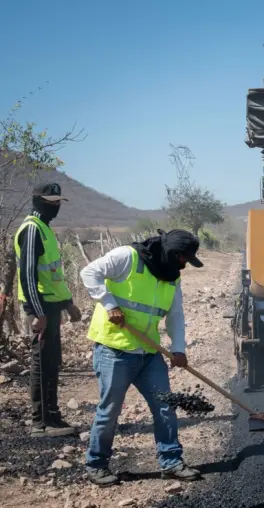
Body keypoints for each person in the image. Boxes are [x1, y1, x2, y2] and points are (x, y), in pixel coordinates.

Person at [79, 229, 204, 486]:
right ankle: (97, 465)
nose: (184, 266)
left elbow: (175, 315)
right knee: (109, 411)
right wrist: (109, 304)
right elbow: (89, 272)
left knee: (165, 407)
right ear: (172, 253)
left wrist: (178, 348)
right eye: (183, 259)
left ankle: (170, 462)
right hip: (115, 350)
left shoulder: (172, 277)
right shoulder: (128, 257)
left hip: (149, 354)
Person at [14, 182, 83, 438]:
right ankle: (40, 424)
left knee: (52, 362)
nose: (55, 206)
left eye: (58, 202)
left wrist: (68, 303)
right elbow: (28, 276)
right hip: (40, 308)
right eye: (50, 201)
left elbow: (52, 273)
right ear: (38, 200)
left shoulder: (44, 229)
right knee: (41, 362)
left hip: (53, 306)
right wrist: (37, 312)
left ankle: (53, 417)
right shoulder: (32, 230)